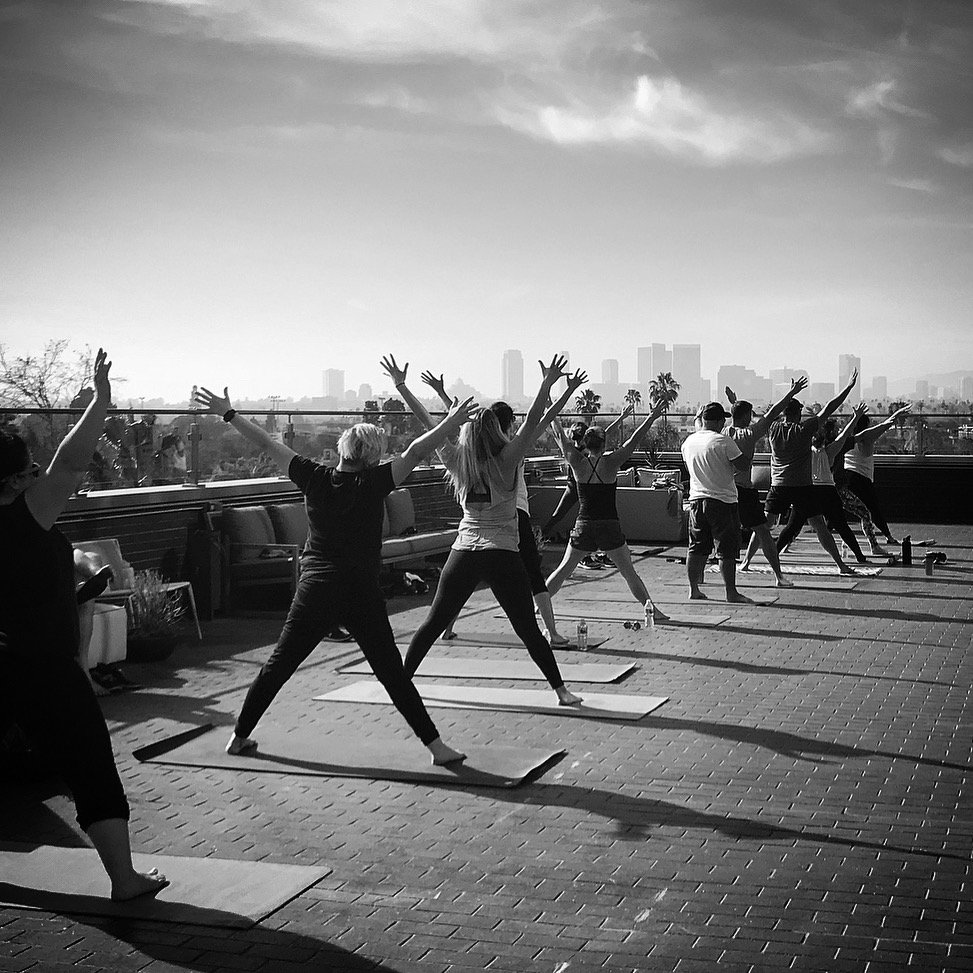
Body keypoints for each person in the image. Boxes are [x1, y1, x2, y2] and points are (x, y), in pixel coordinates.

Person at [193, 383, 476, 766]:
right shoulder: (373, 482)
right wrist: (451, 423)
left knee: (280, 664)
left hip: (316, 589)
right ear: (371, 457)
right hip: (360, 591)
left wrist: (230, 414)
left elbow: (267, 444)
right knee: (392, 674)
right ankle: (436, 748)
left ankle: (239, 735)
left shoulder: (313, 476)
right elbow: (417, 451)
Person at [0, 350, 168, 901]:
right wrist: (100, 402)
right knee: (91, 764)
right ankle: (123, 879)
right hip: (38, 667)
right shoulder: (19, 519)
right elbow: (70, 467)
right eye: (27, 471)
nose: (35, 477)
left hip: (21, 659)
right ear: (10, 480)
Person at [399, 356, 582, 705]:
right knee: (527, 629)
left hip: (463, 552)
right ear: (497, 432)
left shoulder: (457, 460)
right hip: (500, 553)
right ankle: (561, 692)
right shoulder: (508, 458)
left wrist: (402, 387)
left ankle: (401, 683)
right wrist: (546, 383)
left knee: (432, 624)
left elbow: (428, 426)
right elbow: (534, 422)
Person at [545, 398, 670, 621]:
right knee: (629, 573)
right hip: (609, 525)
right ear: (603, 444)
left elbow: (560, 435)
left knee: (564, 569)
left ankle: (539, 605)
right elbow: (635, 439)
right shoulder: (611, 462)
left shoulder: (576, 461)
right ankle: (653, 611)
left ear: (585, 442)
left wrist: (550, 407)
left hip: (584, 524)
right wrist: (652, 417)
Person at [764, 369, 861, 575]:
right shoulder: (803, 430)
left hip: (778, 485)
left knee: (765, 525)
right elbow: (829, 408)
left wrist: (790, 393)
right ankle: (841, 566)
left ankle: (747, 562)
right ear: (798, 413)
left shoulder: (773, 428)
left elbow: (772, 412)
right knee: (819, 526)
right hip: (801, 486)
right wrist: (849, 388)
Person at [725, 378, 809, 585]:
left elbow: (735, 417)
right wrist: (791, 393)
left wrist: (733, 402)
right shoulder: (749, 433)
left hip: (724, 490)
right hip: (743, 491)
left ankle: (698, 581)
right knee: (763, 531)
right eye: (750, 415)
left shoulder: (724, 432)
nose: (752, 418)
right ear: (746, 416)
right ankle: (779, 576)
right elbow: (773, 414)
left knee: (718, 532)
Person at [772, 404, 871, 560]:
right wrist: (856, 417)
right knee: (840, 525)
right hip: (825, 491)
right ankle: (859, 557)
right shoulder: (829, 451)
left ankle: (774, 554)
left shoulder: (805, 451)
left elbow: (843, 435)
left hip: (810, 490)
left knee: (793, 526)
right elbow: (845, 434)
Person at [540, 406, 633, 568]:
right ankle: (541, 538)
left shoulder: (578, 450)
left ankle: (597, 553)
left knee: (577, 518)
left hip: (581, 488)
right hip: (576, 487)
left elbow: (604, 433)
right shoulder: (577, 451)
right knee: (566, 515)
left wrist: (621, 417)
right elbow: (561, 435)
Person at [680, 402, 752, 602]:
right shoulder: (723, 441)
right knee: (726, 550)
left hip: (696, 499)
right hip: (722, 500)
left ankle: (693, 590)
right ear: (720, 421)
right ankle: (731, 592)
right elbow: (743, 465)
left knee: (696, 547)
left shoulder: (688, 442)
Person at [843, 405, 913, 550]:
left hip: (847, 477)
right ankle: (885, 539)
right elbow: (884, 425)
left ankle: (859, 540)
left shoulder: (847, 437)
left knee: (863, 512)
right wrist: (897, 414)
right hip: (859, 478)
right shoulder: (866, 436)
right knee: (871, 510)